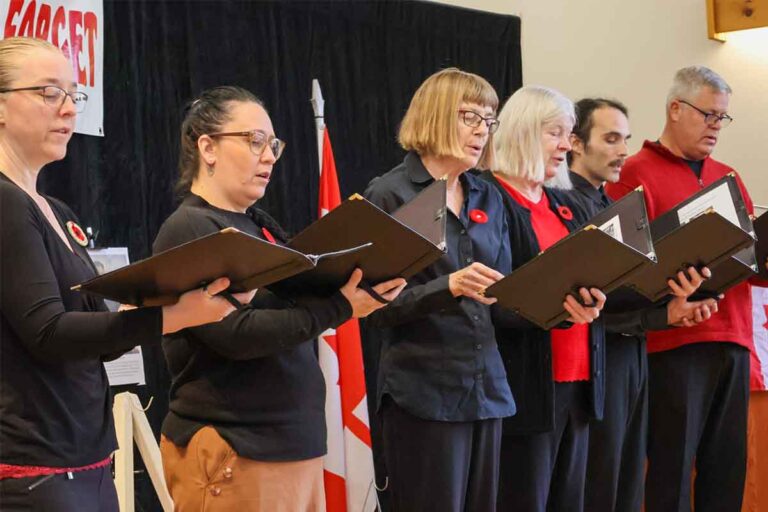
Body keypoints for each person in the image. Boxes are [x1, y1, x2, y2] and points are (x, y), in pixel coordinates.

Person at [0, 37, 238, 511]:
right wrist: (172, 318)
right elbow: (47, 332)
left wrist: (158, 301)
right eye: (49, 93)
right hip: (35, 470)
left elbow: (95, 333)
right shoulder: (5, 203)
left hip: (83, 459)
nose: (68, 110)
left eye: (73, 95)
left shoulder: (54, 209)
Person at [154, 85, 405, 512]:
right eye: (254, 141)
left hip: (291, 444)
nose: (269, 155)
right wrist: (340, 306)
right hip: (237, 447)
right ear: (208, 147)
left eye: (273, 144)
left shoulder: (258, 225)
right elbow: (236, 335)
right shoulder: (190, 229)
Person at [606, 66, 764, 512]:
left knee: (727, 468)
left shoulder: (728, 175)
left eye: (722, 118)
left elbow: (747, 258)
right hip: (673, 344)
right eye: (708, 115)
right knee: (671, 472)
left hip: (732, 338)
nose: (716, 126)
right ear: (676, 109)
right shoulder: (633, 172)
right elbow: (624, 270)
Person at [362, 67, 514, 512]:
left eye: (489, 120)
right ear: (436, 116)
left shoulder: (488, 195)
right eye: (470, 117)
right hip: (423, 394)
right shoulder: (390, 194)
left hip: (487, 392)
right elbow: (372, 307)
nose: (482, 131)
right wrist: (446, 287)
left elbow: (502, 289)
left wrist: (561, 301)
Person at [569, 97, 718, 512]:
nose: (622, 151)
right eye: (611, 138)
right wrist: (661, 314)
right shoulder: (564, 206)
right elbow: (590, 300)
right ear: (575, 143)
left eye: (626, 140)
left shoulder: (613, 208)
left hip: (632, 358)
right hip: (595, 365)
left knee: (629, 485)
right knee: (601, 484)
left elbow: (628, 289)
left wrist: (676, 298)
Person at [478, 85, 608, 512]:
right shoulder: (489, 198)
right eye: (556, 133)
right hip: (527, 386)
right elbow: (496, 295)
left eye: (570, 135)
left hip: (578, 382)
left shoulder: (567, 205)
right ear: (523, 131)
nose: (566, 146)